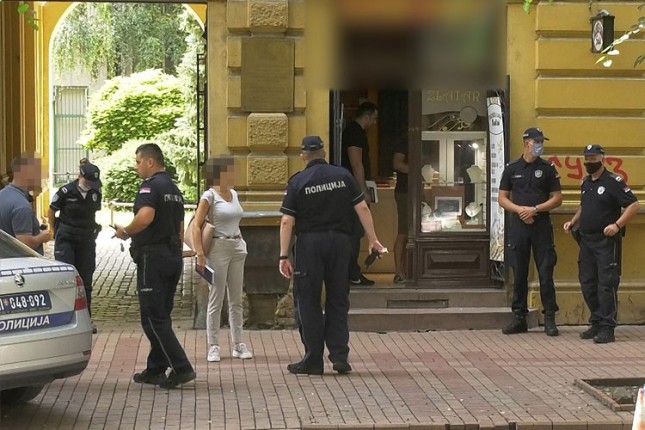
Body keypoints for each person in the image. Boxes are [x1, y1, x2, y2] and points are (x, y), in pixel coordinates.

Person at [279, 136, 384, 375]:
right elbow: (362, 207)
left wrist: (283, 256)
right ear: (324, 153)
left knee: (308, 300)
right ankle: (339, 356)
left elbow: (287, 221)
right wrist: (373, 239)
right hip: (340, 243)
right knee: (338, 298)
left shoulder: (298, 182)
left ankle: (313, 359)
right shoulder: (343, 176)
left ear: (303, 156)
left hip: (310, 245)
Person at [113, 143, 195, 389]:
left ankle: (182, 367)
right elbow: (180, 226)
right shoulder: (174, 189)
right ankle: (156, 368)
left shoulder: (150, 187)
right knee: (161, 315)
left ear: (150, 162)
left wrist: (126, 231)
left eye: (138, 161)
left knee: (153, 316)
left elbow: (146, 217)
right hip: (171, 256)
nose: (136, 166)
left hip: (153, 257)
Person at [563, 145, 639, 344]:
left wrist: (617, 225)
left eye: (593, 158)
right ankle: (596, 321)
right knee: (587, 282)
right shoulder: (586, 182)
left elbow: (633, 205)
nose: (589, 162)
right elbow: (584, 206)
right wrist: (573, 222)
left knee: (606, 284)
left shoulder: (613, 181)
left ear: (602, 159)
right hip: (586, 241)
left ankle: (607, 327)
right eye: (587, 159)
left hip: (606, 242)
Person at [498, 127, 563, 337]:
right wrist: (520, 210)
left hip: (541, 226)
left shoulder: (548, 168)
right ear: (527, 143)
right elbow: (502, 198)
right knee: (519, 273)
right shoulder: (512, 168)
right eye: (537, 142)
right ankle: (519, 317)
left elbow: (557, 198)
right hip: (519, 227)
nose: (540, 145)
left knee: (545, 273)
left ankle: (550, 318)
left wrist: (535, 209)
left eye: (542, 142)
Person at [192, 157, 253, 362]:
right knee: (216, 296)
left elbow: (236, 219)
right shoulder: (209, 196)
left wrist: (241, 242)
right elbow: (196, 225)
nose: (234, 174)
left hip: (236, 246)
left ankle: (238, 343)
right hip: (218, 248)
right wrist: (200, 253)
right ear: (219, 173)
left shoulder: (234, 194)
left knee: (236, 298)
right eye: (230, 171)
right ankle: (214, 345)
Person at [47, 161, 102, 333]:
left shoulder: (96, 192)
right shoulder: (66, 191)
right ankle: (65, 320)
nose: (90, 186)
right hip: (67, 238)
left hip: (86, 240)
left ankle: (86, 319)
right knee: (66, 278)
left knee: (86, 281)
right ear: (80, 177)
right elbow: (52, 210)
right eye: (87, 182)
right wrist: (52, 230)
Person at [341, 101, 378, 286]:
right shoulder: (354, 133)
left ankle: (351, 272)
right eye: (374, 118)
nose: (375, 123)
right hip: (353, 193)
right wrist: (363, 191)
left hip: (352, 191)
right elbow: (357, 164)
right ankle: (351, 273)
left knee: (355, 232)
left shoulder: (355, 132)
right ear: (367, 116)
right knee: (354, 232)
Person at [0, 153, 51, 254]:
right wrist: (42, 237)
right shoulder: (21, 206)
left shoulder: (2, 194)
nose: (43, 178)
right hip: (18, 260)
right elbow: (25, 244)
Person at [392, 134, 409, 284]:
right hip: (405, 192)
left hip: (412, 192)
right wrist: (416, 170)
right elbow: (397, 164)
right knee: (403, 232)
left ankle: (406, 270)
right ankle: (399, 271)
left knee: (410, 233)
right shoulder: (405, 140)